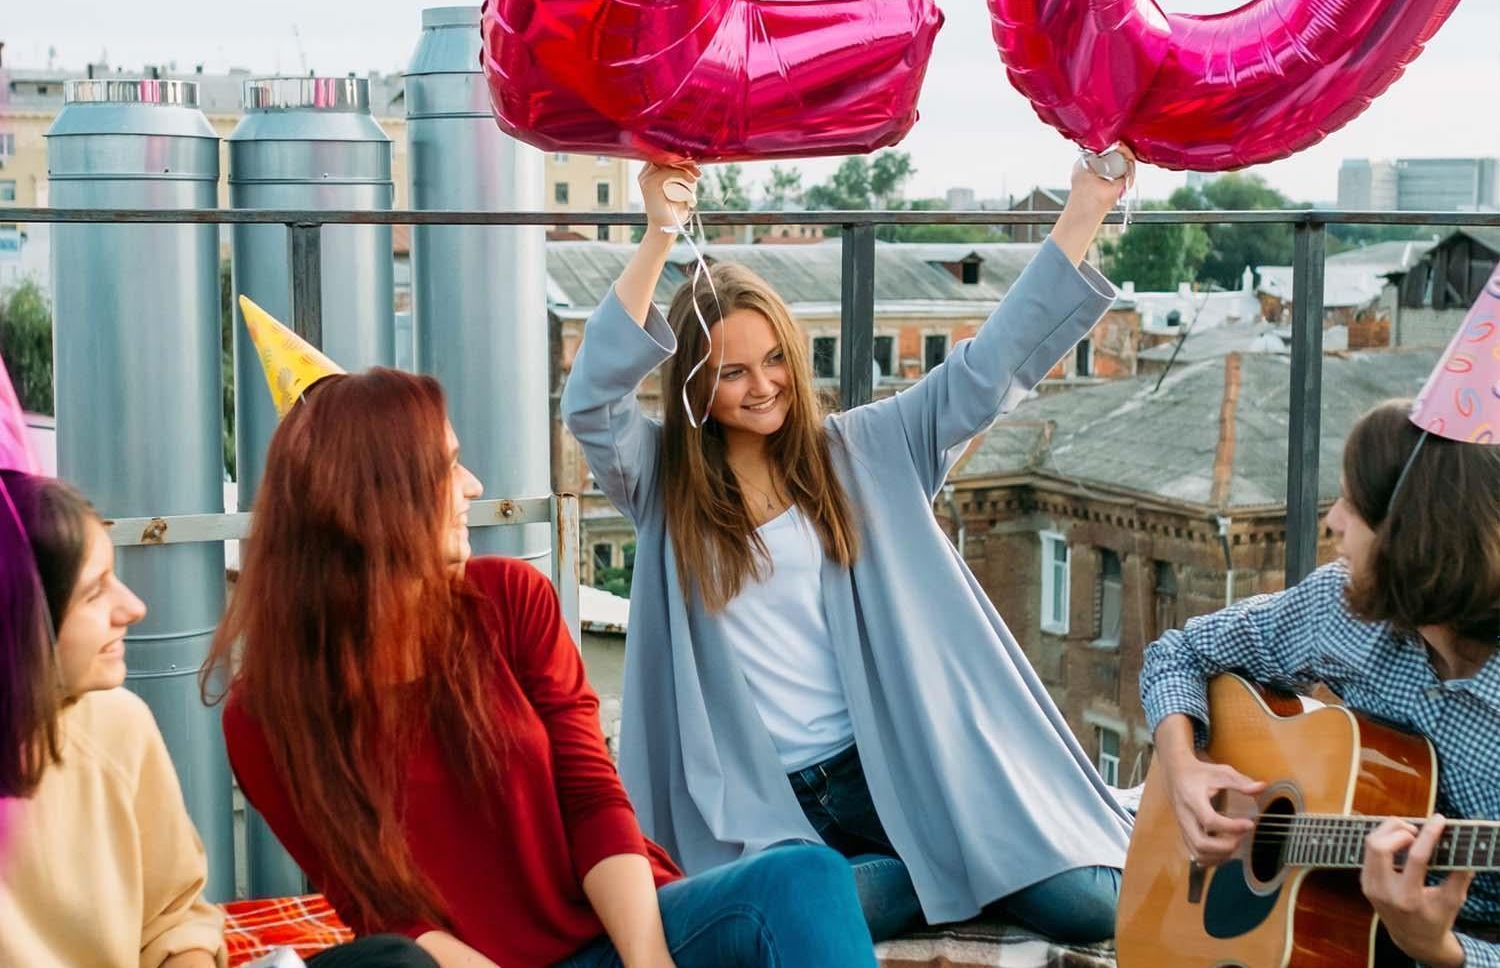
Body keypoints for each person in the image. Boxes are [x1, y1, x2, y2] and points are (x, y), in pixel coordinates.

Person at [561, 157, 1137, 943]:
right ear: (696, 385)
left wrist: (1086, 207)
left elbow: (989, 368)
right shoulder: (662, 484)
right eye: (731, 372)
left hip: (894, 762)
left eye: (773, 361)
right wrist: (661, 234)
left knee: (1091, 908)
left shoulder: (868, 448)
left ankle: (970, 863)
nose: (762, 386)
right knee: (799, 903)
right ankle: (944, 875)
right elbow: (591, 399)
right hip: (765, 805)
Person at [206, 351, 877, 968]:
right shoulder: (264, 716)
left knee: (806, 876)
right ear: (374, 502)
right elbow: (386, 917)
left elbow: (593, 797)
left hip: (621, 934)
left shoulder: (509, 599)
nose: (471, 485)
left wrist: (650, 964)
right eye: (445, 467)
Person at [0, 470, 429, 968]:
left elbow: (173, 920)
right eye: (94, 593)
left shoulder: (117, 723)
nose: (134, 608)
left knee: (395, 962)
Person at [1141, 399, 1500, 968]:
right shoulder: (1343, 606)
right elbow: (1181, 653)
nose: (1332, 519)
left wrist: (1442, 949)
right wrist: (1183, 767)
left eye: (1353, 505)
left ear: (1414, 537)